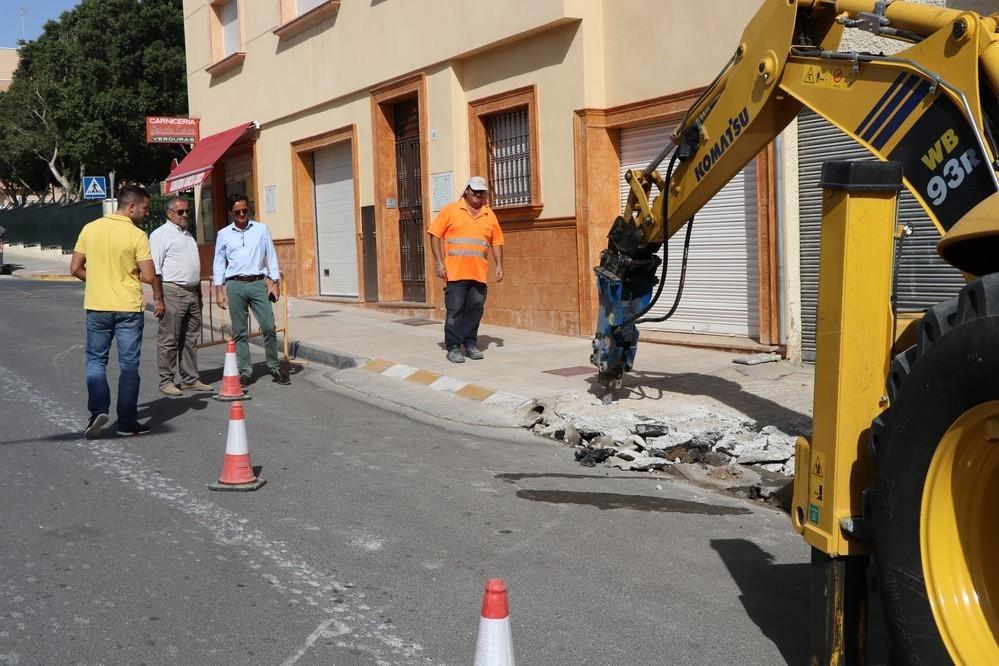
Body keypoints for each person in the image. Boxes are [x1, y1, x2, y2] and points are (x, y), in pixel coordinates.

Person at [70, 185, 156, 438]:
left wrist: (97, 279)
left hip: (97, 306)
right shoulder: (137, 235)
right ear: (131, 207)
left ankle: (98, 411)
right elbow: (149, 276)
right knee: (129, 365)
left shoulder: (90, 228)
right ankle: (127, 422)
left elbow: (75, 268)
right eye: (144, 208)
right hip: (128, 307)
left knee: (96, 361)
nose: (146, 213)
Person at [212, 194, 289, 385]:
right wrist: (219, 290)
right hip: (235, 285)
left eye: (245, 210)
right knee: (240, 331)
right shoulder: (224, 234)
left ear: (249, 209)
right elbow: (219, 263)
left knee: (269, 326)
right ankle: (246, 371)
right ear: (231, 212)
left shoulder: (261, 229)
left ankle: (274, 367)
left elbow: (270, 255)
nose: (241, 214)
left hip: (257, 283)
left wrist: (275, 282)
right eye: (237, 211)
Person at [427, 176, 504, 364]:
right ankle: (453, 347)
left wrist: (500, 265)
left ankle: (470, 344)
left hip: (479, 273)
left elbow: (497, 241)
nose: (478, 194)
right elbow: (434, 234)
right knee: (455, 310)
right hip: (455, 272)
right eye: (474, 190)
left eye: (481, 191)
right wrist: (439, 262)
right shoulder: (451, 210)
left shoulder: (489, 214)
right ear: (467, 191)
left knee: (475, 309)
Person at [150, 196, 214, 396]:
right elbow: (156, 270)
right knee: (169, 338)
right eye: (180, 212)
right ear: (169, 214)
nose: (185, 215)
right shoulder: (160, 235)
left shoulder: (187, 235)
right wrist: (159, 299)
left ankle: (189, 379)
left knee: (190, 338)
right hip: (172, 292)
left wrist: (199, 295)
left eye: (187, 211)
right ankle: (166, 381)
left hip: (192, 292)